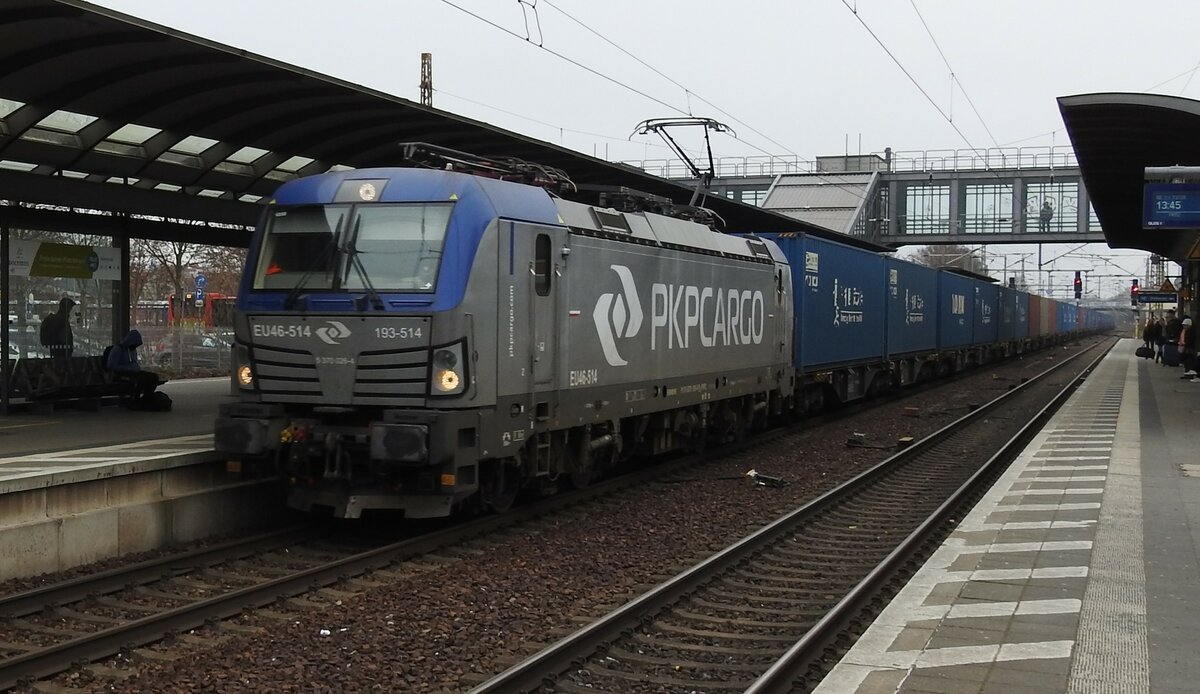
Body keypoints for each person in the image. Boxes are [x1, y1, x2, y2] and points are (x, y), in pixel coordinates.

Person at [105, 329, 163, 408]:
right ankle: (135, 400)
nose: (135, 347)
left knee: (153, 377)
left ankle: (146, 398)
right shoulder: (117, 349)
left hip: (133, 372)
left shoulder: (132, 350)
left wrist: (135, 367)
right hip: (119, 374)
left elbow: (133, 362)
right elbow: (110, 365)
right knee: (140, 379)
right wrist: (127, 368)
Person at [39, 297, 76, 361]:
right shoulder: (60, 322)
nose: (69, 312)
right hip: (60, 355)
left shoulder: (59, 321)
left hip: (59, 354)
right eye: (69, 309)